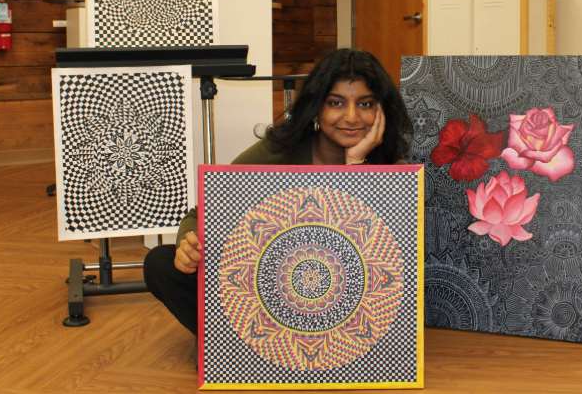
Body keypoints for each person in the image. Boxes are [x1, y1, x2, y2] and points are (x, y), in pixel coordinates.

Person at [143, 48, 412, 338]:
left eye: (365, 104)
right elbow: (205, 212)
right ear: (317, 107)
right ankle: (237, 349)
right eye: (336, 102)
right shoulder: (281, 149)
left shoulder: (392, 168)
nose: (351, 116)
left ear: (381, 110)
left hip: (346, 301)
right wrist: (189, 244)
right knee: (161, 263)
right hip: (275, 290)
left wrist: (355, 162)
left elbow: (381, 259)